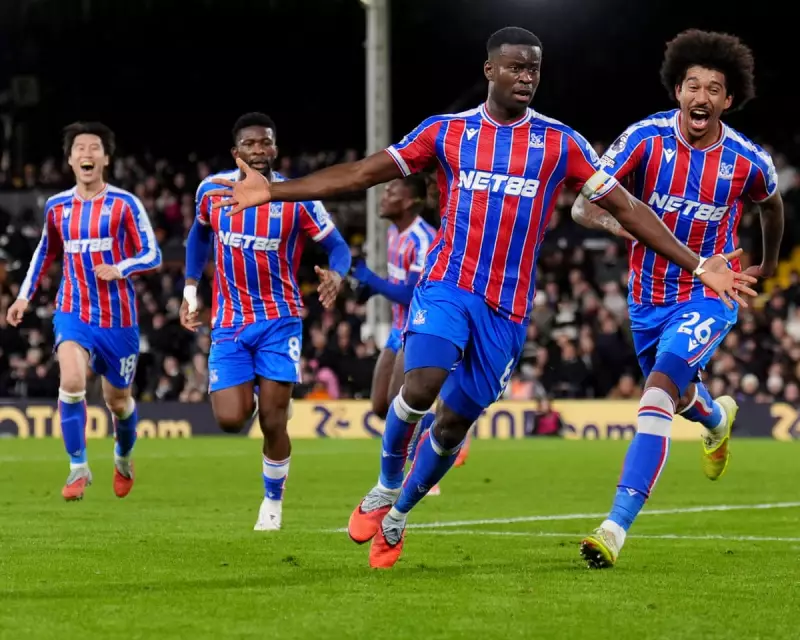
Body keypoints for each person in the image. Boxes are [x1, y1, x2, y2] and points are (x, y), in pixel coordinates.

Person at [206, 27, 756, 568]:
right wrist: (275, 190)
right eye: (516, 66)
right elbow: (364, 172)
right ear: (490, 70)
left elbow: (630, 209)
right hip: (449, 284)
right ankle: (383, 485)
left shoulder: (561, 143)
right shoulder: (447, 132)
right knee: (420, 383)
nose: (526, 77)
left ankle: (399, 513)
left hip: (508, 311)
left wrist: (698, 262)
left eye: (534, 68)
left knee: (451, 426)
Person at [571, 29, 784, 568]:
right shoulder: (644, 139)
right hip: (646, 300)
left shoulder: (746, 159)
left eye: (715, 89)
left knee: (660, 391)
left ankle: (614, 527)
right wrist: (627, 228)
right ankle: (715, 420)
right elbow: (583, 206)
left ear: (728, 100)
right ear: (677, 91)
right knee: (681, 394)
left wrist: (770, 263)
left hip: (710, 294)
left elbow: (772, 205)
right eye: (693, 85)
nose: (702, 97)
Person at [180, 112, 351, 531]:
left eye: (266, 143)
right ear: (235, 152)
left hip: (280, 320)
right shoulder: (212, 191)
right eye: (251, 144)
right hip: (229, 323)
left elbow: (339, 247)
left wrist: (337, 274)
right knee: (231, 420)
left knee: (273, 421)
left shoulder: (297, 197)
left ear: (275, 149)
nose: (259, 150)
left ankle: (272, 503)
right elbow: (199, 235)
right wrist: (189, 289)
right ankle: (265, 390)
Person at [7, 122, 162, 500]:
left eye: (95, 148)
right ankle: (78, 468)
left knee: (118, 401)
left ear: (106, 159)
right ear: (71, 159)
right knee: (73, 382)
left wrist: (121, 268)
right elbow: (45, 252)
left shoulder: (125, 203)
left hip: (118, 319)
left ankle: (123, 456)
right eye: (80, 148)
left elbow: (153, 253)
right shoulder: (57, 206)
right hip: (73, 309)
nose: (87, 153)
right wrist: (24, 296)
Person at [349, 175, 445, 494]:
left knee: (398, 402)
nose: (383, 196)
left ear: (409, 201)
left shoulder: (422, 238)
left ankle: (422, 472)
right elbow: (396, 288)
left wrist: (371, 281)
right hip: (396, 328)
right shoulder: (394, 233)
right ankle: (433, 427)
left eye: (390, 191)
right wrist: (370, 290)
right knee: (379, 406)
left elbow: (411, 294)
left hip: (418, 325)